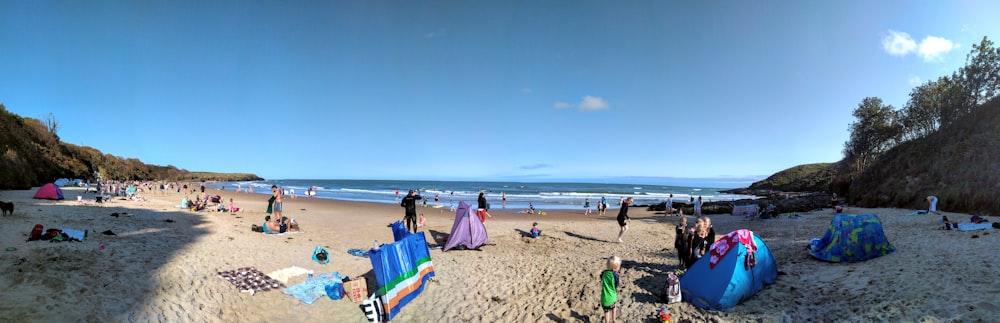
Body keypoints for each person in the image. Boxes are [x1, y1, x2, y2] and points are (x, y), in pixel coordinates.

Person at [600, 256, 622, 323]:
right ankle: (614, 320)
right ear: (615, 268)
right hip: (612, 297)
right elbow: (617, 285)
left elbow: (601, 278)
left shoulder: (604, 273)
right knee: (614, 307)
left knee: (606, 312)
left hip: (604, 297)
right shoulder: (615, 275)